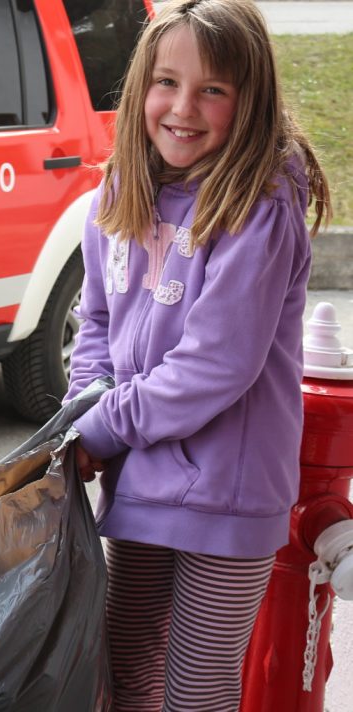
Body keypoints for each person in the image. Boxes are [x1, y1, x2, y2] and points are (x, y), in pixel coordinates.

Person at [64, 0, 332, 709]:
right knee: (124, 673)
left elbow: (216, 365)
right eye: (167, 82)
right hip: (138, 482)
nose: (184, 107)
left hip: (228, 495)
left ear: (251, 99)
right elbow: (95, 321)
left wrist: (99, 428)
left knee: (197, 689)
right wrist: (78, 411)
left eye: (213, 88)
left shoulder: (260, 203)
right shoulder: (117, 192)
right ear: (139, 89)